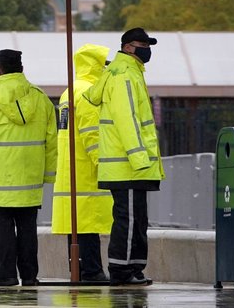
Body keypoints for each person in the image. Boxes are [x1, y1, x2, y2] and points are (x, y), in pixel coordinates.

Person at [0, 49, 57, 287]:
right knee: (28, 229)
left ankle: (6, 275)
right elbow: (51, 140)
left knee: (3, 231)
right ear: (22, 68)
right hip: (30, 180)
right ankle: (29, 276)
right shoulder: (41, 99)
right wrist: (49, 175)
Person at [83, 27, 164, 286]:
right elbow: (127, 120)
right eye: (142, 44)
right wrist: (140, 159)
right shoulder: (124, 75)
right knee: (129, 220)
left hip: (128, 167)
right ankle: (121, 270)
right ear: (128, 47)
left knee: (137, 220)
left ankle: (134, 268)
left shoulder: (128, 73)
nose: (147, 49)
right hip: (127, 166)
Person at [51, 44, 113, 282]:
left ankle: (76, 269)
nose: (107, 68)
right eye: (104, 63)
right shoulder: (89, 92)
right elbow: (92, 133)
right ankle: (92, 271)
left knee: (75, 225)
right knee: (88, 224)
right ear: (96, 64)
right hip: (86, 170)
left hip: (70, 169)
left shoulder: (69, 91)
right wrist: (103, 164)